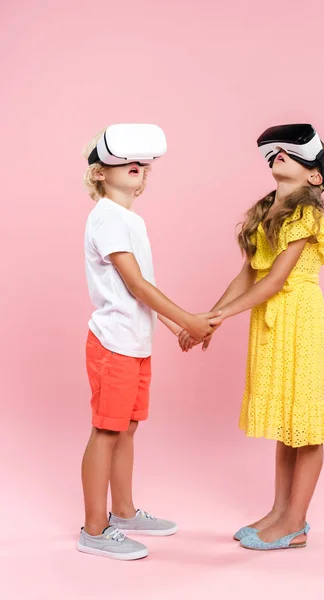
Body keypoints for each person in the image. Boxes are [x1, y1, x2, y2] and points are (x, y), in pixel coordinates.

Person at [179, 125, 324, 551]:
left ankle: (296, 522)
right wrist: (210, 318)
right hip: (272, 317)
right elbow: (250, 273)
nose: (278, 155)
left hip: (299, 317)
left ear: (314, 176)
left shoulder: (308, 215)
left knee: (304, 422)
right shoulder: (267, 213)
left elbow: (276, 280)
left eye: (291, 154)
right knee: (288, 423)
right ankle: (279, 512)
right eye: (274, 153)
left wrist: (222, 316)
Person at [78, 125, 221, 560]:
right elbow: (136, 284)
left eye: (141, 164)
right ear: (100, 173)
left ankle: (122, 512)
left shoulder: (130, 220)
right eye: (123, 162)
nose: (134, 167)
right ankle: (94, 529)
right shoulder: (105, 216)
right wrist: (191, 321)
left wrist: (173, 326)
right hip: (114, 344)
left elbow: (142, 289)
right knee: (107, 431)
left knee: (128, 428)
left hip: (136, 342)